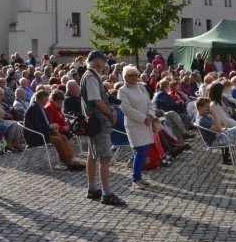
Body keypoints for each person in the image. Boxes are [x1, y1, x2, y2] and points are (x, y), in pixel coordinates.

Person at [81, 50, 126, 207]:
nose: (105, 62)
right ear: (95, 61)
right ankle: (106, 193)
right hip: (99, 121)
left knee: (92, 155)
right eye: (102, 59)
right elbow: (97, 101)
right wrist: (111, 112)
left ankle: (92, 188)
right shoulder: (91, 77)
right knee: (105, 157)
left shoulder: (92, 76)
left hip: (95, 121)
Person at [24, 89, 85, 171]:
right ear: (42, 99)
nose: (48, 100)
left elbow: (46, 122)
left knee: (63, 137)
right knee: (58, 140)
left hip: (45, 132)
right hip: (35, 136)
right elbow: (35, 126)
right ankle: (67, 163)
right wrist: (50, 126)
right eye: (46, 98)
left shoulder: (41, 108)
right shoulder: (32, 109)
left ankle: (72, 158)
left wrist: (52, 128)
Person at [117, 65, 156, 189]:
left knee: (145, 149)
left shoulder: (142, 88)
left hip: (146, 123)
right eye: (130, 75)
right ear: (125, 77)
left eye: (135, 75)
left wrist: (150, 115)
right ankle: (136, 179)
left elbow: (150, 103)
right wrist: (143, 118)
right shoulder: (122, 91)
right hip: (134, 125)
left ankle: (133, 164)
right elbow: (126, 109)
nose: (133, 78)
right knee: (139, 151)